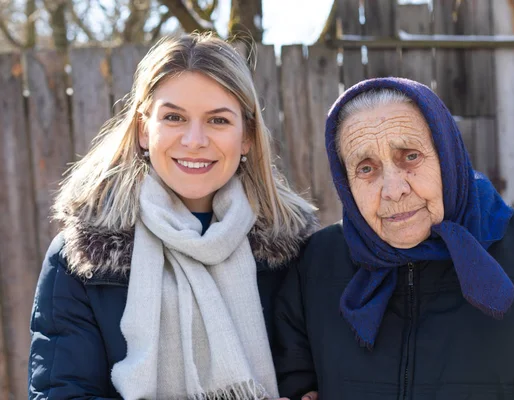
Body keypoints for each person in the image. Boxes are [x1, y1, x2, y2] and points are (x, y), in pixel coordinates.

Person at [28, 33, 319, 400]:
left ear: (246, 136)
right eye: (174, 117)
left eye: (218, 120)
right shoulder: (80, 259)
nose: (194, 140)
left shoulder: (298, 255)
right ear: (143, 131)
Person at [274, 77, 514, 399]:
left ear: (448, 156)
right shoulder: (314, 266)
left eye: (410, 156)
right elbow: (293, 382)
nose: (393, 189)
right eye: (366, 168)